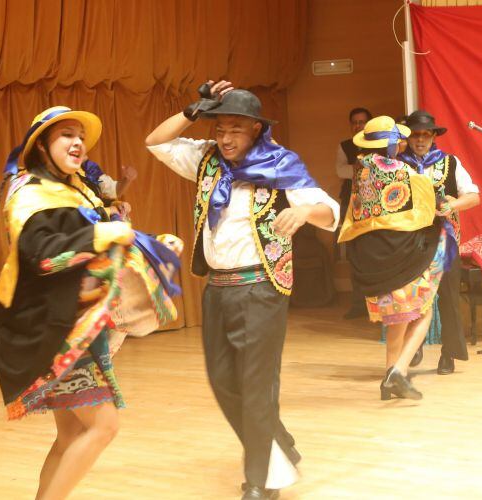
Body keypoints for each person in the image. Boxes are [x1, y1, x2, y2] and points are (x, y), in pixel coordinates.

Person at [145, 81, 339, 500]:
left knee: (255, 385)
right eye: (219, 129)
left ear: (255, 128)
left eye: (235, 129)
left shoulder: (280, 163)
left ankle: (262, 479)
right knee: (223, 382)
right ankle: (278, 442)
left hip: (261, 288)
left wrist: (303, 211)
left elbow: (330, 213)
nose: (225, 138)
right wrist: (194, 110)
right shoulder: (206, 160)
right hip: (217, 287)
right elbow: (156, 141)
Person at [0, 106, 182, 499]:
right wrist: (107, 233)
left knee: (72, 433)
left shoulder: (75, 188)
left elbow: (102, 243)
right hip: (48, 329)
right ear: (41, 146)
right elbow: (44, 257)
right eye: (66, 135)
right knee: (103, 426)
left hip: (74, 323)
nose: (77, 142)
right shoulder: (30, 195)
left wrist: (151, 246)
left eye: (80, 135)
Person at [339, 115, 449, 401]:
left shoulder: (360, 168)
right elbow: (429, 210)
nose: (402, 145)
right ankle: (398, 371)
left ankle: (389, 376)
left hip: (370, 255)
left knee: (396, 317)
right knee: (424, 309)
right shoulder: (406, 172)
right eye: (398, 141)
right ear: (390, 145)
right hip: (400, 252)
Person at [398, 110, 478, 375]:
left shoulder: (450, 163)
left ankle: (450, 354)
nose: (420, 140)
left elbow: (473, 197)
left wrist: (453, 204)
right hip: (409, 241)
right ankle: (413, 346)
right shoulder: (397, 165)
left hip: (445, 240)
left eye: (426, 134)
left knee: (449, 297)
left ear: (433, 136)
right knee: (410, 297)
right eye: (416, 135)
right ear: (408, 137)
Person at [337, 107, 372, 319]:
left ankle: (376, 304)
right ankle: (359, 304)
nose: (358, 125)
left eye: (362, 122)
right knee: (355, 255)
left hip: (376, 206)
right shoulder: (344, 146)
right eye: (355, 122)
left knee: (375, 253)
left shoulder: (379, 145)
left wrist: (360, 167)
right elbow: (339, 170)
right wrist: (362, 168)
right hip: (351, 204)